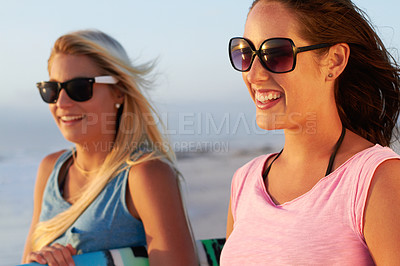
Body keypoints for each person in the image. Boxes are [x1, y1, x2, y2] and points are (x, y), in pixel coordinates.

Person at [221, 0, 400, 264]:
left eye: (276, 54)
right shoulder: (244, 182)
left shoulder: (376, 178)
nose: (254, 74)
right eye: (245, 53)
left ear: (334, 61)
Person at [22, 29, 197, 266]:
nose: (61, 102)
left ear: (119, 91)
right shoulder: (50, 169)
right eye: (52, 90)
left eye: (79, 87)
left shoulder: (145, 175)